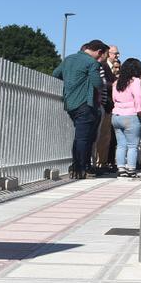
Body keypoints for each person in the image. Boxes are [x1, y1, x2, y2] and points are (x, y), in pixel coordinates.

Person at [53, 40, 109, 179]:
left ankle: (77, 166)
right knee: (85, 137)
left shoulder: (69, 59)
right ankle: (81, 168)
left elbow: (56, 74)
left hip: (70, 103)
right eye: (103, 55)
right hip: (85, 103)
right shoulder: (92, 63)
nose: (101, 58)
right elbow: (97, 83)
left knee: (80, 136)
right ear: (99, 52)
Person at [110, 58, 141, 177]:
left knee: (120, 145)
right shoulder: (135, 81)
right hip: (131, 115)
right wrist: (140, 113)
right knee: (133, 145)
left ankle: (121, 168)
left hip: (116, 116)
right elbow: (139, 99)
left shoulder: (116, 82)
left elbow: (114, 99)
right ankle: (131, 169)